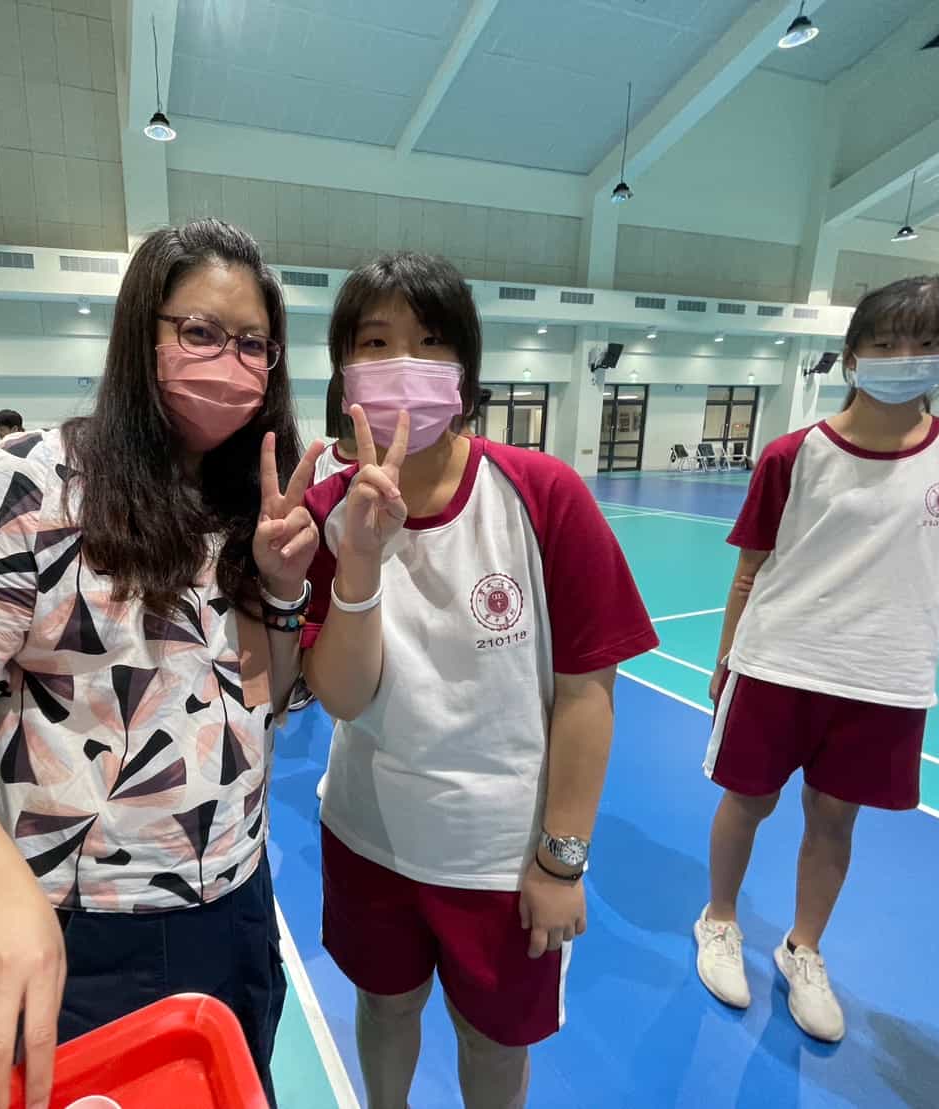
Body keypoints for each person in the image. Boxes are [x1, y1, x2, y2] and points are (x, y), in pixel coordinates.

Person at [0, 218, 322, 1108]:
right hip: (73, 927)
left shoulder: (246, 502)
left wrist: (281, 589)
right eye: (200, 331)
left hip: (231, 902)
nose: (230, 362)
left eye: (254, 343)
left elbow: (266, 698)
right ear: (142, 333)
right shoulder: (37, 483)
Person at [300, 253, 657, 1108]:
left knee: (492, 1043)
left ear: (464, 367)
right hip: (368, 835)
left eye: (430, 341)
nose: (403, 362)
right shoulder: (323, 513)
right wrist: (360, 557)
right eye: (376, 342)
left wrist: (560, 861)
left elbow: (587, 694)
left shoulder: (541, 494)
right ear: (344, 369)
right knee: (385, 1007)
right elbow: (342, 697)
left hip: (500, 857)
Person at [694, 275, 939, 1043]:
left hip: (886, 675)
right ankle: (718, 919)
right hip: (776, 663)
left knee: (834, 818)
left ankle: (801, 948)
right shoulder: (793, 454)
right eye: (885, 342)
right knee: (746, 800)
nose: (905, 358)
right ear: (851, 355)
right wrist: (725, 660)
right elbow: (748, 569)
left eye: (927, 342)